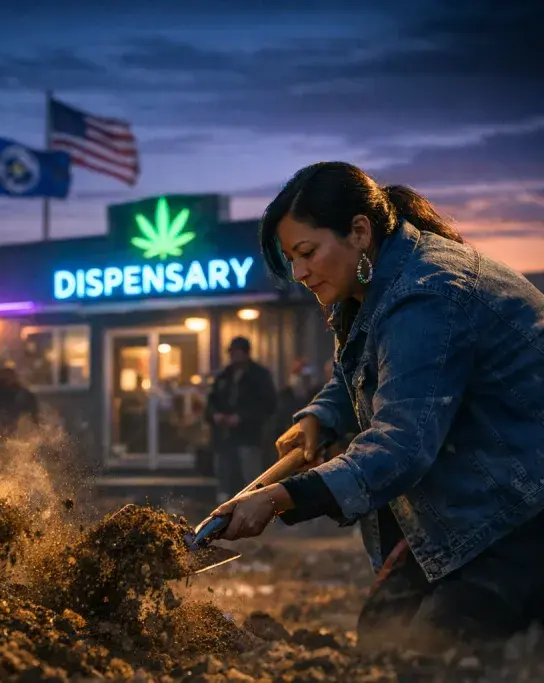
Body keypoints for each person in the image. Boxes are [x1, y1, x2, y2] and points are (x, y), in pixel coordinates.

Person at [210, 161, 544, 651]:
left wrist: (281, 497)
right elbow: (361, 373)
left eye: (307, 252)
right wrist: (320, 416)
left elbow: (403, 446)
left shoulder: (427, 296)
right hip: (472, 497)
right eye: (291, 259)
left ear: (360, 231)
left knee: (429, 651)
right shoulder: (373, 288)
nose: (300, 273)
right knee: (381, 635)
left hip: (519, 506)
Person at [204, 337, 278, 501]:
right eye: (232, 352)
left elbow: (268, 405)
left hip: (249, 436)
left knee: (251, 476)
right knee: (224, 475)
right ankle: (224, 506)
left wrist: (242, 417)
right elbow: (210, 403)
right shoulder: (224, 376)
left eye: (237, 352)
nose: (234, 356)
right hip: (224, 437)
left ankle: (254, 503)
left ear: (245, 353)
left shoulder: (259, 375)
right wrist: (216, 416)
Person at [0, 360, 40, 439]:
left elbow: (34, 417)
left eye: (9, 373)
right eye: (5, 373)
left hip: (19, 437)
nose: (7, 376)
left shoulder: (25, 395)